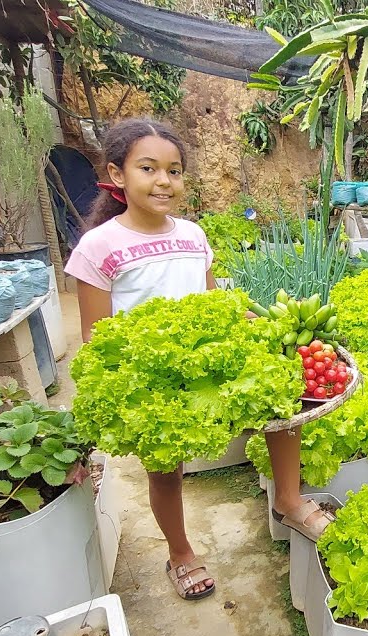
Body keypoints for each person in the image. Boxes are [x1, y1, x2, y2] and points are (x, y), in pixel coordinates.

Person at [65, 118, 334, 602]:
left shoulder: (191, 233)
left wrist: (255, 325)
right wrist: (134, 377)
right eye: (148, 168)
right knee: (166, 468)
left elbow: (213, 303)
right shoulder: (99, 246)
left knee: (284, 402)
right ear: (117, 174)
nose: (164, 181)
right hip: (155, 381)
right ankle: (181, 551)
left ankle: (289, 501)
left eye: (175, 170)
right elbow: (95, 338)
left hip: (213, 367)